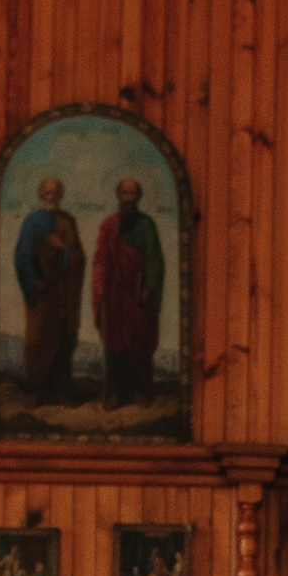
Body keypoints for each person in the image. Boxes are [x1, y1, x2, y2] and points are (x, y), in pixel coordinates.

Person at [91, 175, 166, 409]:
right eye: (124, 193)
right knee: (115, 344)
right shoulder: (108, 225)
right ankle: (115, 393)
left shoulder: (146, 225)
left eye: (132, 193)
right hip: (114, 295)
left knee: (138, 341)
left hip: (136, 293)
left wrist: (149, 287)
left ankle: (138, 391)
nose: (128, 198)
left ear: (139, 197)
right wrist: (100, 283)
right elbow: (101, 258)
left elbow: (155, 259)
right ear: (118, 195)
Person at [15, 176, 86, 404]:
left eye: (55, 192)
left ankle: (61, 391)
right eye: (46, 193)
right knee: (39, 339)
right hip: (43, 292)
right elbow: (22, 255)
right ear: (40, 195)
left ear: (61, 195)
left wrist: (63, 249)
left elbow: (78, 257)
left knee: (64, 339)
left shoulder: (68, 221)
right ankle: (35, 390)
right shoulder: (32, 221)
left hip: (64, 293)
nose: (51, 197)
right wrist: (33, 280)